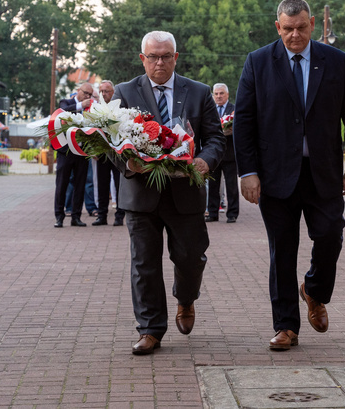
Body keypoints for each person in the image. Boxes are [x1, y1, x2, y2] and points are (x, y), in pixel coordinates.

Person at [234, 0, 345, 352]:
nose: (295, 35)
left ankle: (314, 290)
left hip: (323, 174)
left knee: (330, 236)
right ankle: (286, 326)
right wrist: (248, 172)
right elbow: (244, 122)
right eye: (288, 29)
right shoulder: (258, 62)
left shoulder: (334, 61)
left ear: (312, 25)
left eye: (302, 27)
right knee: (282, 251)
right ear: (278, 27)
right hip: (274, 176)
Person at [112, 31, 225, 355]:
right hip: (140, 194)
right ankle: (150, 329)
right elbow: (111, 145)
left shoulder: (199, 92)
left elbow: (216, 138)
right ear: (142, 58)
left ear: (176, 57)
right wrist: (129, 164)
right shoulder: (124, 92)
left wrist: (204, 160)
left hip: (184, 192)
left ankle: (186, 298)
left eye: (165, 56)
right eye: (153, 57)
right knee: (144, 264)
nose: (159, 62)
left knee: (191, 258)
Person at [53, 83, 94, 228]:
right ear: (78, 91)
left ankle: (76, 216)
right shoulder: (67, 102)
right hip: (65, 151)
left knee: (80, 185)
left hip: (82, 152)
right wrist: (80, 105)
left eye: (90, 95)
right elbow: (61, 112)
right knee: (62, 184)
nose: (88, 97)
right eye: (86, 93)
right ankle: (59, 216)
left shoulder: (90, 108)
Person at [93, 80, 125, 226]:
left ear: (113, 93)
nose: (103, 94)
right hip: (102, 153)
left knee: (120, 184)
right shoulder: (96, 108)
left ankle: (120, 215)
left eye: (106, 91)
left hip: (118, 152)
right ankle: (102, 215)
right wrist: (92, 149)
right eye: (101, 91)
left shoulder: (120, 107)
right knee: (102, 185)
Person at [206, 83, 240, 223]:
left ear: (227, 95)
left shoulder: (235, 110)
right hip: (214, 155)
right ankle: (213, 213)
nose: (219, 96)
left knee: (231, 186)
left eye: (221, 93)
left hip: (230, 154)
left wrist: (233, 129)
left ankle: (232, 214)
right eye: (216, 94)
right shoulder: (209, 109)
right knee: (213, 186)